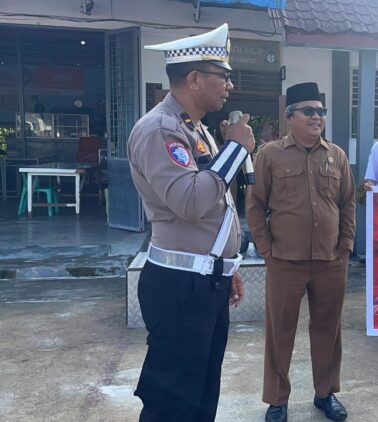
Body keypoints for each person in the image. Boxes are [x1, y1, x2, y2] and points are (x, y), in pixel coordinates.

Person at [128, 24, 254, 421]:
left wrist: (226, 264)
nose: (229, 86)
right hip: (179, 287)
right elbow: (190, 202)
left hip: (206, 282)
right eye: (223, 76)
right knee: (173, 402)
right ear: (194, 79)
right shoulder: (160, 129)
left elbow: (219, 205)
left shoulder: (195, 128)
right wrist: (235, 149)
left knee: (201, 395)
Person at [246, 82, 356, 422]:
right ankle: (277, 400)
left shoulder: (336, 155)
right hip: (285, 261)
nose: (317, 117)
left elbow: (348, 202)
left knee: (328, 330)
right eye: (309, 111)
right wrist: (267, 250)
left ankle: (325, 394)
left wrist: (345, 246)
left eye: (320, 111)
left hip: (330, 261)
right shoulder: (269, 155)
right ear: (290, 116)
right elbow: (254, 205)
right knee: (280, 331)